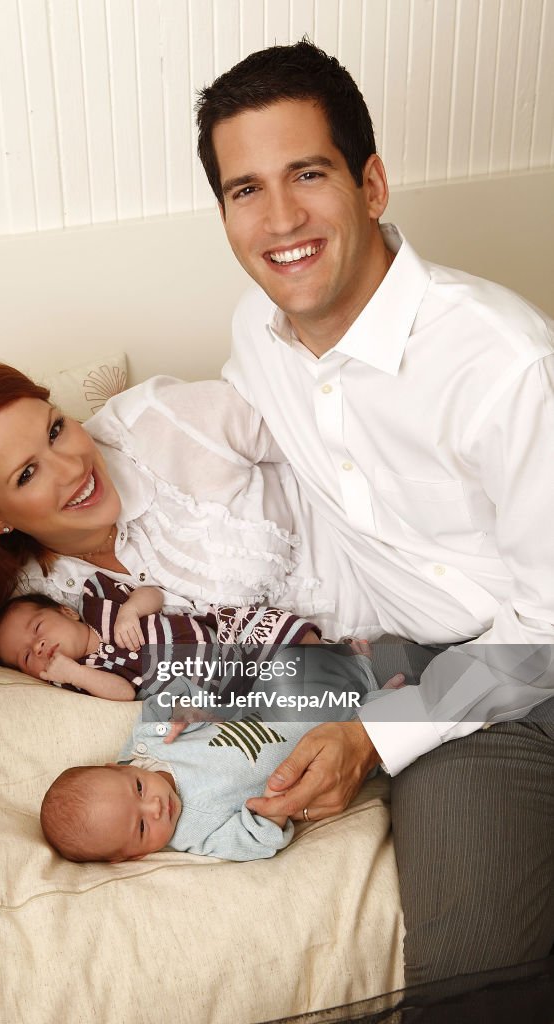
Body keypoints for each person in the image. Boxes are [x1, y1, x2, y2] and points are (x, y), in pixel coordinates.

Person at [195, 39, 554, 983]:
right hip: (446, 682)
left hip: (534, 648)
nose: (280, 219)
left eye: (307, 174)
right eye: (245, 190)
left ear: (372, 184)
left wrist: (373, 735)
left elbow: (547, 626)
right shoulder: (253, 335)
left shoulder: (503, 362)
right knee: (472, 961)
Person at [0, 362, 369, 680]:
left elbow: (355, 444)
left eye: (56, 429)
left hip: (403, 586)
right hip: (366, 689)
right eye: (26, 474)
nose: (73, 467)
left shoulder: (156, 421)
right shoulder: (26, 597)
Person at [40, 679, 386, 863]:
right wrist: (272, 811)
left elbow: (170, 693)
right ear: (133, 856)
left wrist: (183, 708)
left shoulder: (147, 742)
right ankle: (385, 704)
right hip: (323, 762)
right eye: (142, 827)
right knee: (381, 725)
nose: (155, 807)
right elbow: (250, 842)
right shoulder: (193, 834)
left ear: (117, 766)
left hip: (283, 705)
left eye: (139, 790)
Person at [0, 573, 326, 699]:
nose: (38, 645)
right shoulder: (79, 679)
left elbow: (153, 594)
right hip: (212, 693)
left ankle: (334, 662)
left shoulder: (99, 603)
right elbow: (124, 692)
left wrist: (131, 609)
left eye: (37, 628)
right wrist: (74, 673)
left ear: (66, 612)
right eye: (26, 656)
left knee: (273, 630)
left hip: (223, 639)